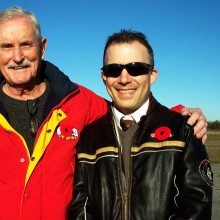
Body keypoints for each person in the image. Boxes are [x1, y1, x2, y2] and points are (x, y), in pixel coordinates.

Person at [0, 6, 207, 220]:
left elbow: (126, 109)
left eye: (26, 44)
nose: (17, 56)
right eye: (7, 47)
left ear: (42, 46)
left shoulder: (78, 100)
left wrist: (179, 116)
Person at [68, 30, 213, 220]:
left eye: (135, 68)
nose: (124, 78)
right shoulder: (89, 136)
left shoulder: (184, 130)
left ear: (152, 75)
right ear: (104, 77)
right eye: (114, 70)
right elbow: (81, 208)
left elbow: (196, 209)